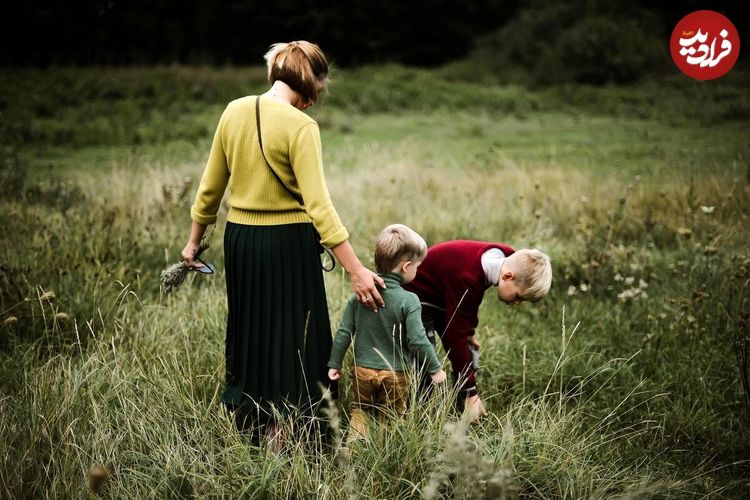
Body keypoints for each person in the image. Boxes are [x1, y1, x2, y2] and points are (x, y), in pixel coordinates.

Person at [181, 41, 385, 446]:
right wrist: (357, 270)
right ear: (310, 83)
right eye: (318, 92)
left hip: (241, 241)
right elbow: (320, 208)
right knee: (298, 337)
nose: (314, 103)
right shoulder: (301, 127)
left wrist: (193, 243)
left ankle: (255, 425)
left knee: (252, 331)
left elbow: (209, 190)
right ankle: (292, 432)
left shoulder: (234, 110)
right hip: (287, 245)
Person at [403, 240, 552, 423]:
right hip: (417, 298)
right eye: (518, 297)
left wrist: (470, 331)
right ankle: (415, 414)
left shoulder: (506, 256)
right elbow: (455, 332)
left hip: (444, 297)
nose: (516, 303)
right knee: (425, 360)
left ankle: (461, 398)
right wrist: (472, 393)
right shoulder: (469, 276)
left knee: (467, 350)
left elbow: (469, 302)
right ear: (507, 277)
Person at [327, 224, 447, 441]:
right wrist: (435, 369)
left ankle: (353, 449)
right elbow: (418, 340)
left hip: (362, 369)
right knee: (391, 416)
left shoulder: (358, 296)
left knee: (361, 410)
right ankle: (383, 453)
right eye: (417, 266)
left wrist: (335, 364)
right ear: (406, 266)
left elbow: (344, 332)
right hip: (396, 373)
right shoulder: (409, 300)